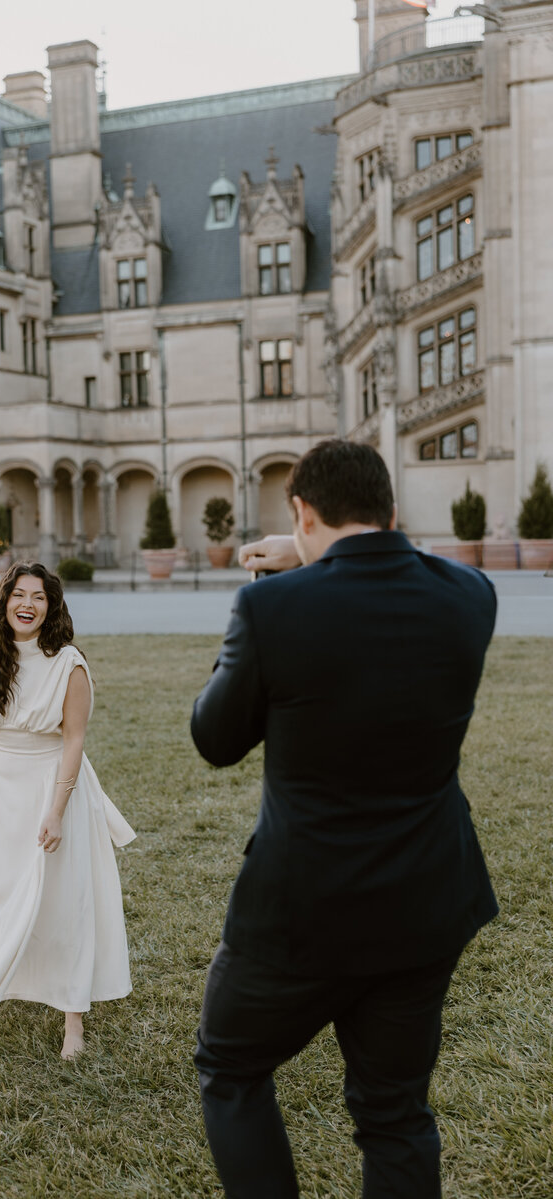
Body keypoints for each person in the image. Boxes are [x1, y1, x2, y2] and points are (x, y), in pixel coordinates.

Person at [191, 439, 498, 1198]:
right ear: (392, 510)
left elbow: (215, 738)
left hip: (301, 912)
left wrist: (276, 589)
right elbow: (395, 586)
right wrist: (314, 565)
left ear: (300, 512)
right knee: (395, 1113)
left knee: (230, 1067)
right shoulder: (472, 597)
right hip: (426, 900)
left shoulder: (270, 608)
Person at [0, 561, 135, 1060]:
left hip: (52, 788)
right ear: (4, 601)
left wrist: (56, 810)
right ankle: (3, 976)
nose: (28, 604)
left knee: (64, 902)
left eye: (39, 597)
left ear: (51, 607)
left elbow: (74, 740)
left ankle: (72, 1020)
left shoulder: (68, 664)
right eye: (19, 595)